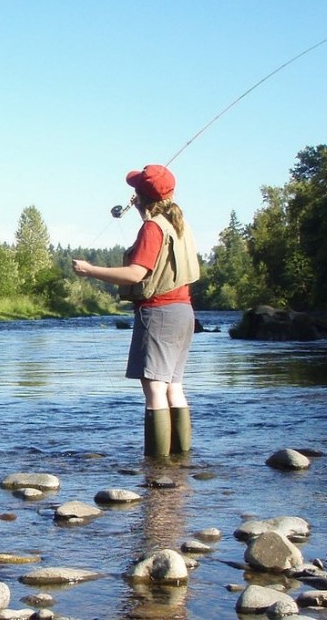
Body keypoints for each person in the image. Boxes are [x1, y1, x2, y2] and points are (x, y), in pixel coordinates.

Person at [72, 164, 200, 458]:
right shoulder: (179, 224)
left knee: (155, 389)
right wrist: (143, 207)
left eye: (135, 191)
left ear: (141, 197)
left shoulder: (153, 228)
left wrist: (90, 270)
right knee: (174, 387)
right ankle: (181, 461)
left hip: (159, 314)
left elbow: (135, 274)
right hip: (184, 312)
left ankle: (157, 465)